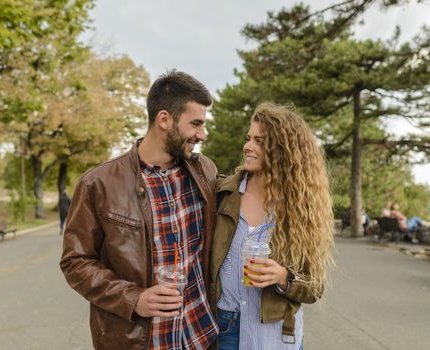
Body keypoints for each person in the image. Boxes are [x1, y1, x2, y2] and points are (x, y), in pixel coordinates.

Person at [60, 70, 219, 350]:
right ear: (164, 119)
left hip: (200, 336)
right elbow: (76, 262)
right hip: (139, 341)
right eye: (195, 124)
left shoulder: (205, 170)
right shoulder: (98, 183)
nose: (201, 135)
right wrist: (132, 298)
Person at [211, 103, 334, 350]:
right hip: (226, 329)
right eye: (248, 139)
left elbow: (315, 288)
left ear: (282, 150)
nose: (247, 146)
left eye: (259, 141)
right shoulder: (223, 193)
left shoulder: (302, 210)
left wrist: (283, 277)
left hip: (278, 335)